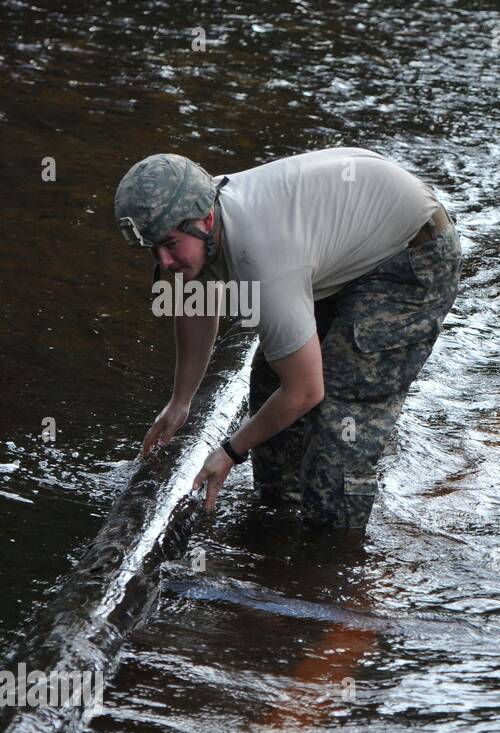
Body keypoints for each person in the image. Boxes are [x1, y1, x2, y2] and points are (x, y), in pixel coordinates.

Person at [115, 147, 461, 529]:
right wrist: (180, 403)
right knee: (269, 377)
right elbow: (196, 302)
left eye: (170, 245)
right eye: (154, 248)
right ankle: (276, 520)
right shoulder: (195, 213)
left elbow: (305, 391)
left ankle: (331, 560)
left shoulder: (262, 258)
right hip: (344, 239)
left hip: (410, 254)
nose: (164, 261)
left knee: (341, 420)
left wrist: (229, 451)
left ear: (206, 219)